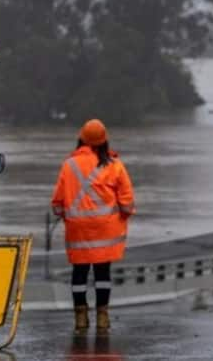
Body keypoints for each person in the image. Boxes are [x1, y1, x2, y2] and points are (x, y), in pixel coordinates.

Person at [51, 119, 135, 335]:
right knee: (102, 272)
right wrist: (124, 215)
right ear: (104, 140)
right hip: (106, 230)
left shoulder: (69, 165)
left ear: (82, 139)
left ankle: (80, 318)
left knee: (79, 271)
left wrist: (66, 214)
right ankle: (102, 317)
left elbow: (58, 202)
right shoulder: (114, 165)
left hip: (78, 229)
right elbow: (126, 201)